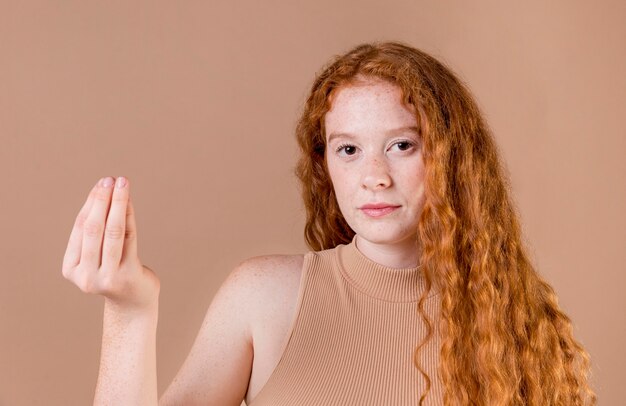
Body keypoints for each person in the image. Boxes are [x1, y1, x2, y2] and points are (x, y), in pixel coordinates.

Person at [62, 41, 596, 405]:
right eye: (348, 149)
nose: (373, 177)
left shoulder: (522, 329)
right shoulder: (264, 296)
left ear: (454, 158)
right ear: (325, 166)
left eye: (402, 145)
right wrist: (130, 311)